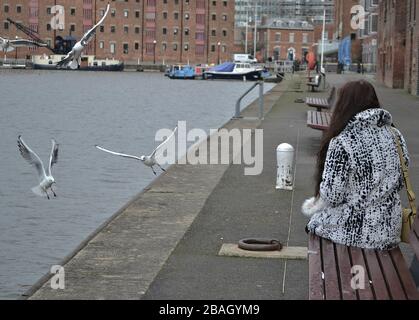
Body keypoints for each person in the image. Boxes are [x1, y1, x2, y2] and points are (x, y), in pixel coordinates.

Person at [302, 80, 410, 250]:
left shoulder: (343, 141)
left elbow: (332, 196)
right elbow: (400, 180)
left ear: (343, 105)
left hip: (354, 233)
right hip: (389, 230)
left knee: (315, 222)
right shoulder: (395, 135)